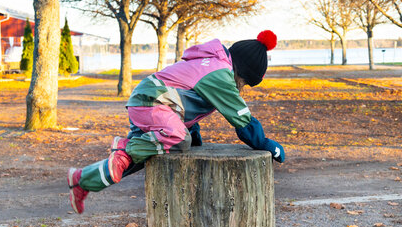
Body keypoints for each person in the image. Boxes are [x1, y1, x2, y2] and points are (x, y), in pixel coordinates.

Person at [67, 30, 285, 214]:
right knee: (178, 138)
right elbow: (242, 119)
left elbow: (187, 93)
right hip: (154, 101)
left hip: (153, 100)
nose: (242, 87)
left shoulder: (211, 63)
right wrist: (266, 144)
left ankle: (82, 180)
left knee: (143, 156)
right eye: (244, 83)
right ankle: (124, 149)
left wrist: (194, 130)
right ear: (242, 73)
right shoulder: (221, 74)